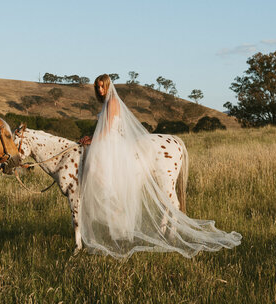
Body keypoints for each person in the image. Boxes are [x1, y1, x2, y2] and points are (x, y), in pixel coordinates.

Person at [78, 74, 241, 258]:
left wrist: (92, 139)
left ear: (108, 86)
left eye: (102, 86)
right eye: (98, 87)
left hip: (112, 143)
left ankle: (122, 213)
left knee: (96, 170)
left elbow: (108, 129)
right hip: (106, 142)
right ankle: (115, 214)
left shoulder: (113, 102)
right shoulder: (106, 103)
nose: (100, 90)